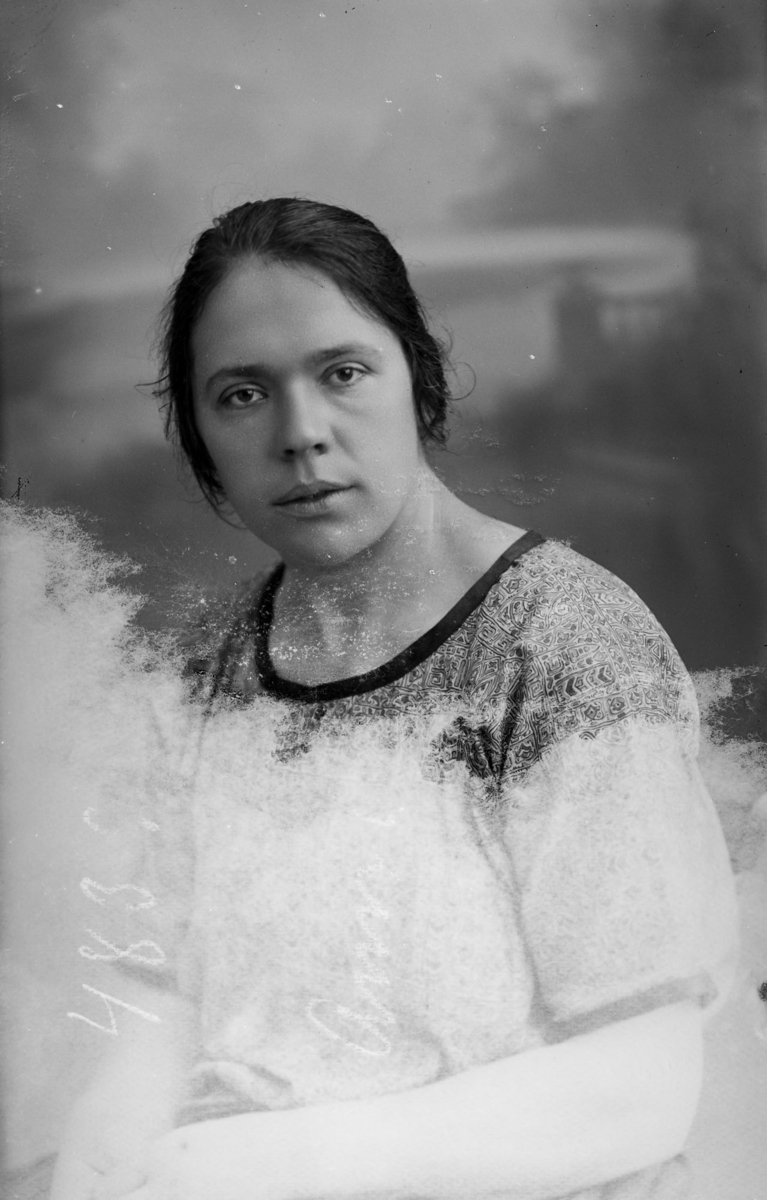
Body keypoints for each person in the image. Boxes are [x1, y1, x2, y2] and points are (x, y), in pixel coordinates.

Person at [50, 197, 739, 1200]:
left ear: (417, 378)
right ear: (197, 435)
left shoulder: (563, 645)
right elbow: (156, 1010)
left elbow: (639, 1091)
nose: (300, 434)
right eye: (242, 394)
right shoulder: (201, 676)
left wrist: (257, 1167)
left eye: (342, 373)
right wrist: (103, 1163)